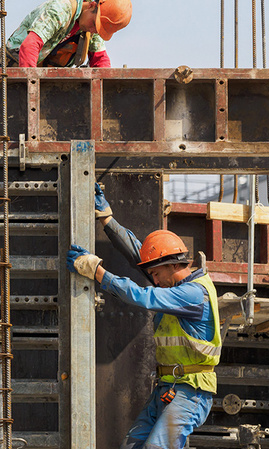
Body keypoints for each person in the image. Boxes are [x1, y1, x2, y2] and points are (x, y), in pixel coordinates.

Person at [66, 184, 221, 449]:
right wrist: (107, 219)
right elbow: (141, 254)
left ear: (173, 265)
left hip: (191, 391)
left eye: (157, 274)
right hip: (169, 388)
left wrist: (98, 272)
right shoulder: (173, 280)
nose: (154, 279)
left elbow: (144, 296)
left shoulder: (194, 295)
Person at [0, 0, 132, 68]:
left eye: (100, 30)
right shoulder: (61, 9)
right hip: (11, 67)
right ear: (91, 6)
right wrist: (31, 87)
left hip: (38, 73)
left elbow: (100, 60)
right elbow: (29, 46)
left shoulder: (89, 28)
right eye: (95, 25)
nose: (95, 30)